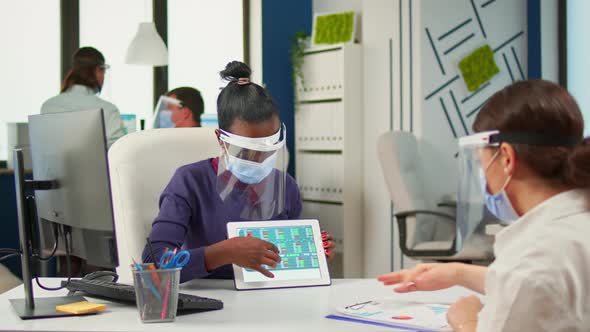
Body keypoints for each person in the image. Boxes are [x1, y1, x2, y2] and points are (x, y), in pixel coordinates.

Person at [378, 80, 590, 331]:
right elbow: (551, 287)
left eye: (482, 163)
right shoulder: (574, 224)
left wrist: (466, 321)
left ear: (507, 158)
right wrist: (458, 273)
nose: (483, 175)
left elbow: (528, 281)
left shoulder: (530, 259)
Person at [143, 61, 336, 283]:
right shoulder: (189, 182)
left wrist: (311, 253)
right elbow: (153, 265)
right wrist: (222, 253)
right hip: (209, 303)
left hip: (271, 301)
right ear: (221, 140)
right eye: (245, 151)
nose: (258, 161)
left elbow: (283, 265)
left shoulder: (287, 186)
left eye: (267, 150)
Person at [41, 46, 125, 148]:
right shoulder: (108, 110)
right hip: (95, 164)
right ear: (98, 70)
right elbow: (118, 152)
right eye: (103, 71)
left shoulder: (47, 106)